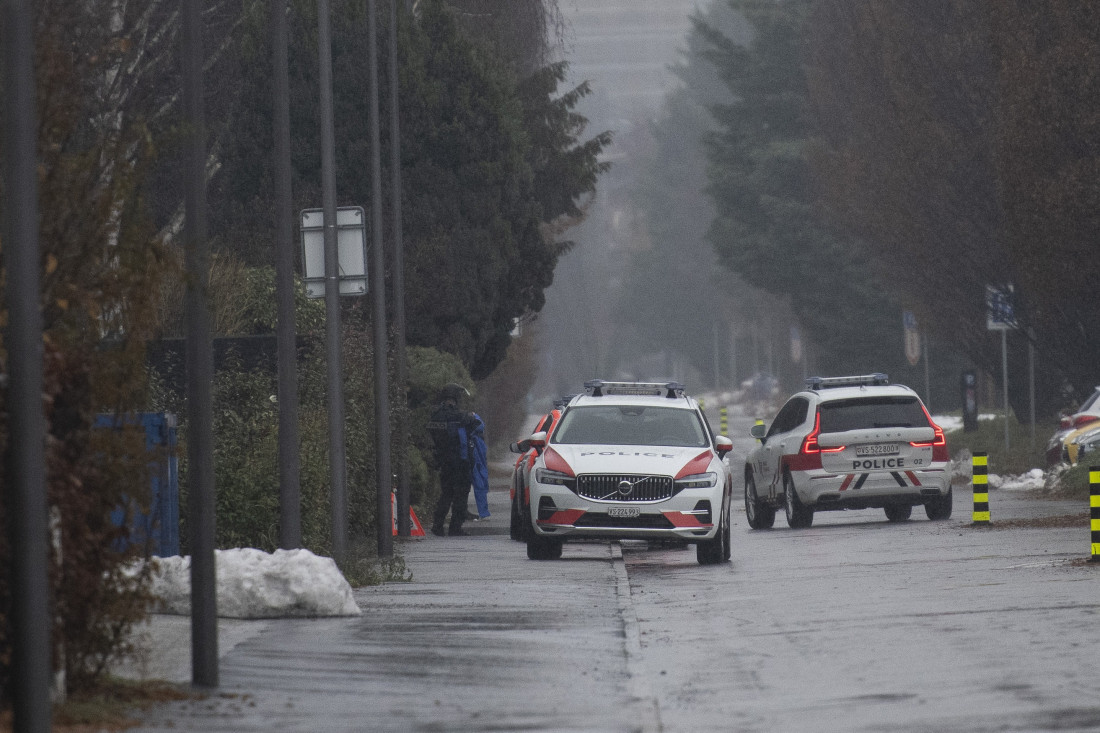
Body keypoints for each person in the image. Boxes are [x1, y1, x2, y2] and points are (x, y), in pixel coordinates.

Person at [427, 383, 480, 536]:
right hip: (460, 461)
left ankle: (437, 525)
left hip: (444, 461)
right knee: (461, 494)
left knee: (446, 493)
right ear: (456, 398)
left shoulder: (436, 415)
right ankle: (455, 527)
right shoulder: (458, 415)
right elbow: (474, 424)